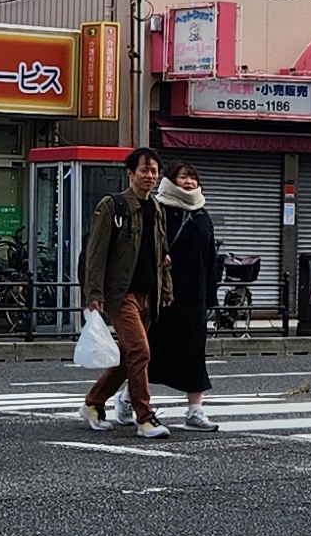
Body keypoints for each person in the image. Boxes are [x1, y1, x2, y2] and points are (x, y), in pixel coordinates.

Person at [78, 150, 170, 433]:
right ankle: (144, 416)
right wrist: (94, 295)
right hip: (121, 294)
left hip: (148, 294)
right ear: (130, 173)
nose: (150, 176)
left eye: (154, 171)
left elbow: (162, 255)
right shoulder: (113, 206)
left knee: (128, 354)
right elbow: (96, 253)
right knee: (140, 351)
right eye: (144, 170)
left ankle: (93, 403)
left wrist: (166, 290)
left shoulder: (157, 209)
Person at [157, 163, 221, 431]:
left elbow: (211, 258)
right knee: (151, 352)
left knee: (195, 353)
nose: (190, 182)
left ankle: (195, 410)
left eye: (194, 177)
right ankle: (130, 399)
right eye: (183, 177)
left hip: (194, 296)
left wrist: (211, 296)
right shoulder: (158, 210)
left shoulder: (202, 215)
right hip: (163, 295)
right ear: (171, 180)